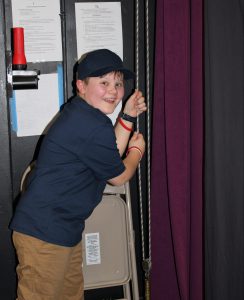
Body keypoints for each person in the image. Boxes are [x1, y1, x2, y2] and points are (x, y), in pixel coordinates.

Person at [10, 48, 147, 300]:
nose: (113, 90)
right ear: (81, 85)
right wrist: (136, 151)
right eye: (103, 82)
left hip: (62, 231)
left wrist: (126, 115)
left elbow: (109, 155)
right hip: (44, 234)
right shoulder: (89, 124)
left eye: (118, 83)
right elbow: (117, 176)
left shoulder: (85, 115)